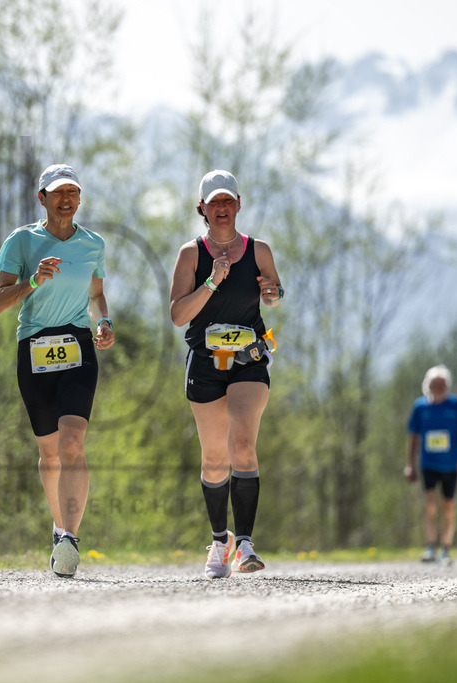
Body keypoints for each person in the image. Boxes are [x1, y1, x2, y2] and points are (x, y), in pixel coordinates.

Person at [0, 163, 115, 578]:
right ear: (42, 198)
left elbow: (96, 295)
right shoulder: (22, 241)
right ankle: (58, 528)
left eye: (73, 193)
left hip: (78, 344)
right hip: (35, 347)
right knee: (48, 452)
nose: (66, 200)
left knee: (73, 443)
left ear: (80, 199)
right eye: (57, 193)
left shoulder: (93, 244)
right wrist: (33, 281)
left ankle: (70, 540)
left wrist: (103, 322)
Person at [169, 169, 284, 579]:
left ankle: (248, 544)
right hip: (204, 362)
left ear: (239, 205)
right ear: (201, 208)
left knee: (243, 437)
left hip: (249, 359)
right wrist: (212, 284)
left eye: (228, 201)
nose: (221, 209)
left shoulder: (259, 249)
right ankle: (221, 541)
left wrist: (273, 293)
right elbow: (178, 315)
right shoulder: (191, 255)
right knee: (215, 458)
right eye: (213, 202)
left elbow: (273, 292)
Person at [404, 364, 457, 565]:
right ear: (428, 385)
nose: (440, 388)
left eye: (443, 384)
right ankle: (430, 546)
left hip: (451, 465)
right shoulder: (420, 407)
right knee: (430, 504)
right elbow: (413, 437)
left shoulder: (456, 405)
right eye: (436, 384)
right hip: (428, 463)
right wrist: (410, 464)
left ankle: (446, 548)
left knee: (449, 506)